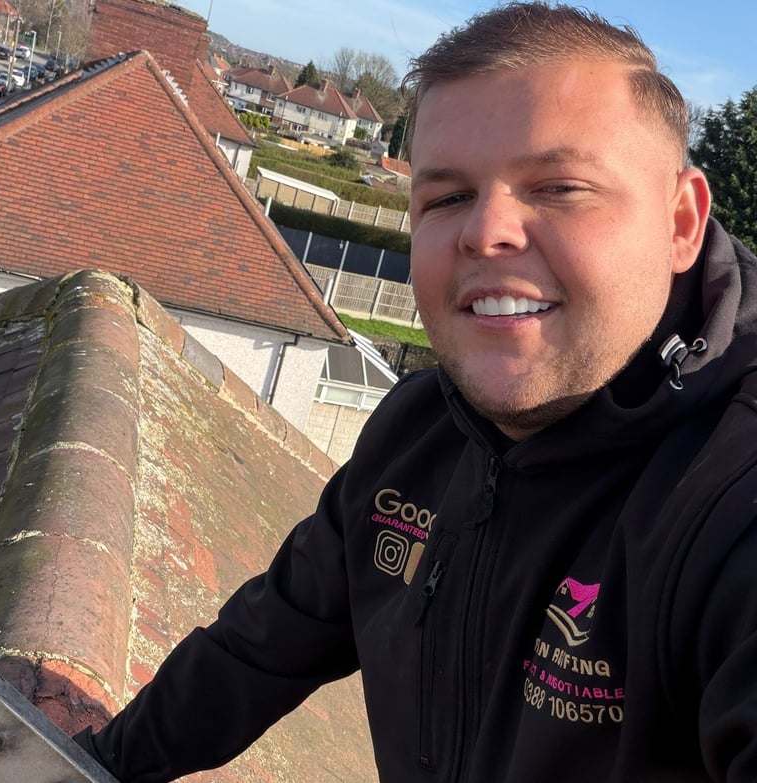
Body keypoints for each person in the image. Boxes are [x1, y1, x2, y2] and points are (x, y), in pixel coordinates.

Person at [75, 2, 757, 781]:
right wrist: (89, 764)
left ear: (681, 222)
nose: (485, 231)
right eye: (447, 197)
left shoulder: (731, 498)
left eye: (560, 186)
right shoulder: (420, 433)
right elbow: (256, 651)